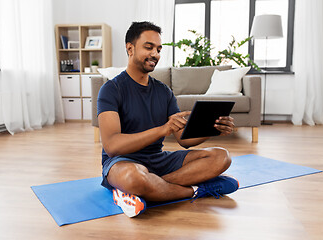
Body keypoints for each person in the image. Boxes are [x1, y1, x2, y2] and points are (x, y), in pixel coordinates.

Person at [97, 21, 238, 218]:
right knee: (134, 177)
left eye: (158, 49)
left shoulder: (164, 92)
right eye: (149, 47)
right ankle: (197, 190)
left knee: (222, 156)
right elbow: (112, 145)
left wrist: (212, 128)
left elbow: (184, 140)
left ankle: (148, 189)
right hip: (122, 162)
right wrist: (163, 129)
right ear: (130, 48)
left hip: (158, 160)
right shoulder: (111, 90)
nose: (155, 54)